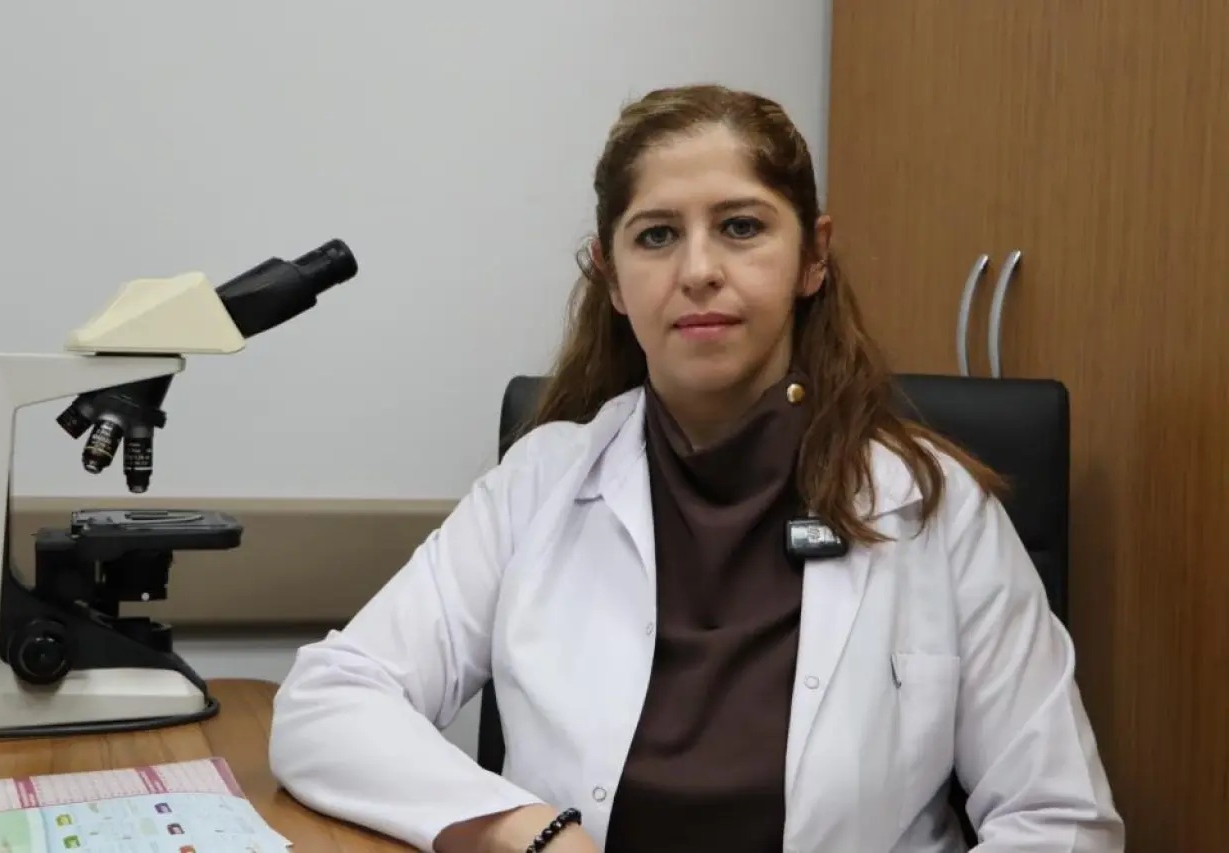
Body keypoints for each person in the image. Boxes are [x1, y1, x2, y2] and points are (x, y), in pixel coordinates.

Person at [268, 84, 1125, 853]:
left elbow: (1060, 819)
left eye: (741, 227)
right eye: (657, 235)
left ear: (813, 256)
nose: (699, 270)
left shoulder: (932, 506)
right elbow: (327, 700)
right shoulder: (541, 483)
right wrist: (525, 830)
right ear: (611, 277)